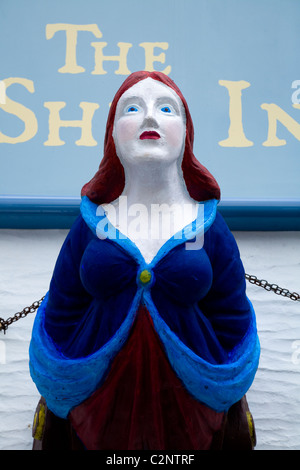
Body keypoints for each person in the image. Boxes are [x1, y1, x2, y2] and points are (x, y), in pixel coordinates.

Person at [29, 71, 260, 450]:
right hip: (94, 404)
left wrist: (219, 376)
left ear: (185, 135)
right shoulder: (92, 224)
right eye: (132, 109)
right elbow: (62, 306)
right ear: (113, 135)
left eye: (166, 109)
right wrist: (65, 373)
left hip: (190, 406)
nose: (149, 118)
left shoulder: (209, 227)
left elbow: (231, 315)